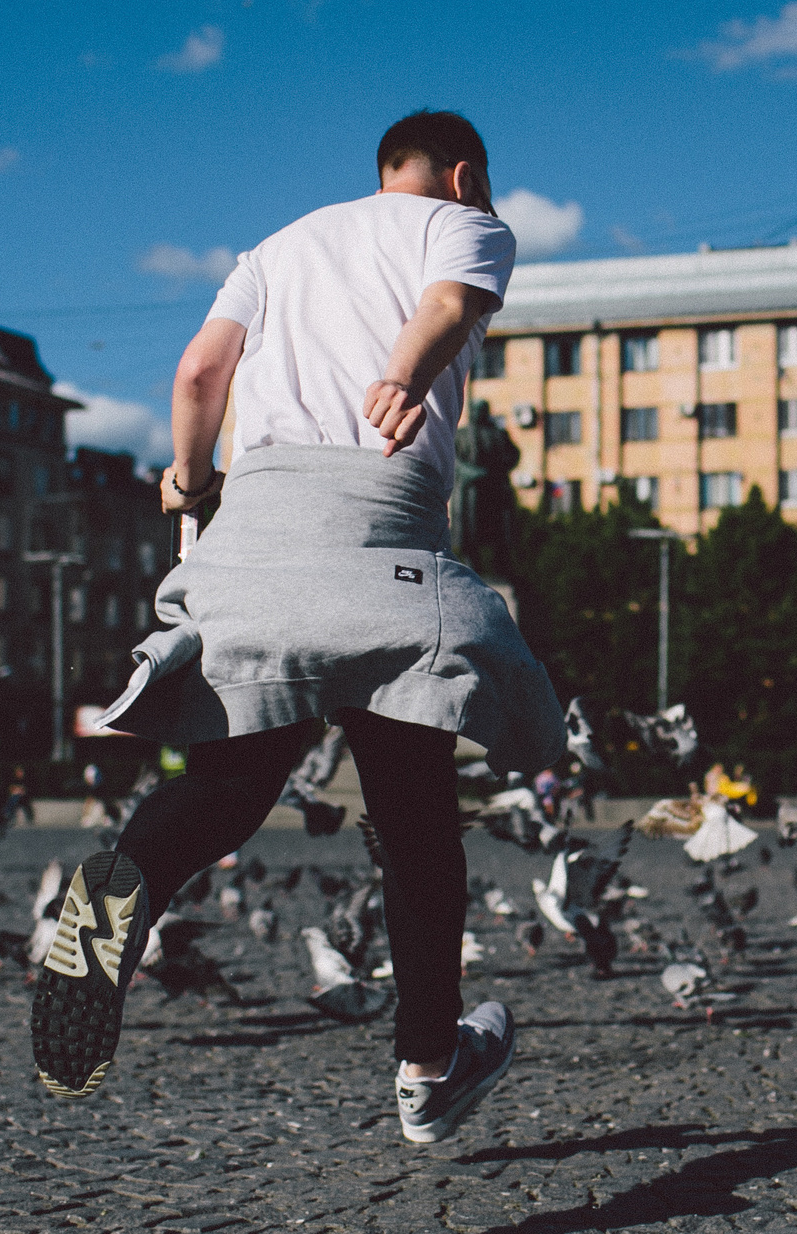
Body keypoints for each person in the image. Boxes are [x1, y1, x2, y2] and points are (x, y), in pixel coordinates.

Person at [31, 109, 564, 1145]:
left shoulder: (272, 249)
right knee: (411, 815)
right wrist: (403, 377)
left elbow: (196, 373)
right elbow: (450, 304)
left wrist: (189, 483)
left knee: (232, 788)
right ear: (461, 172)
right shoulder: (462, 223)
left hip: (254, 533)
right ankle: (427, 1063)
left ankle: (119, 891)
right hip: (376, 542)